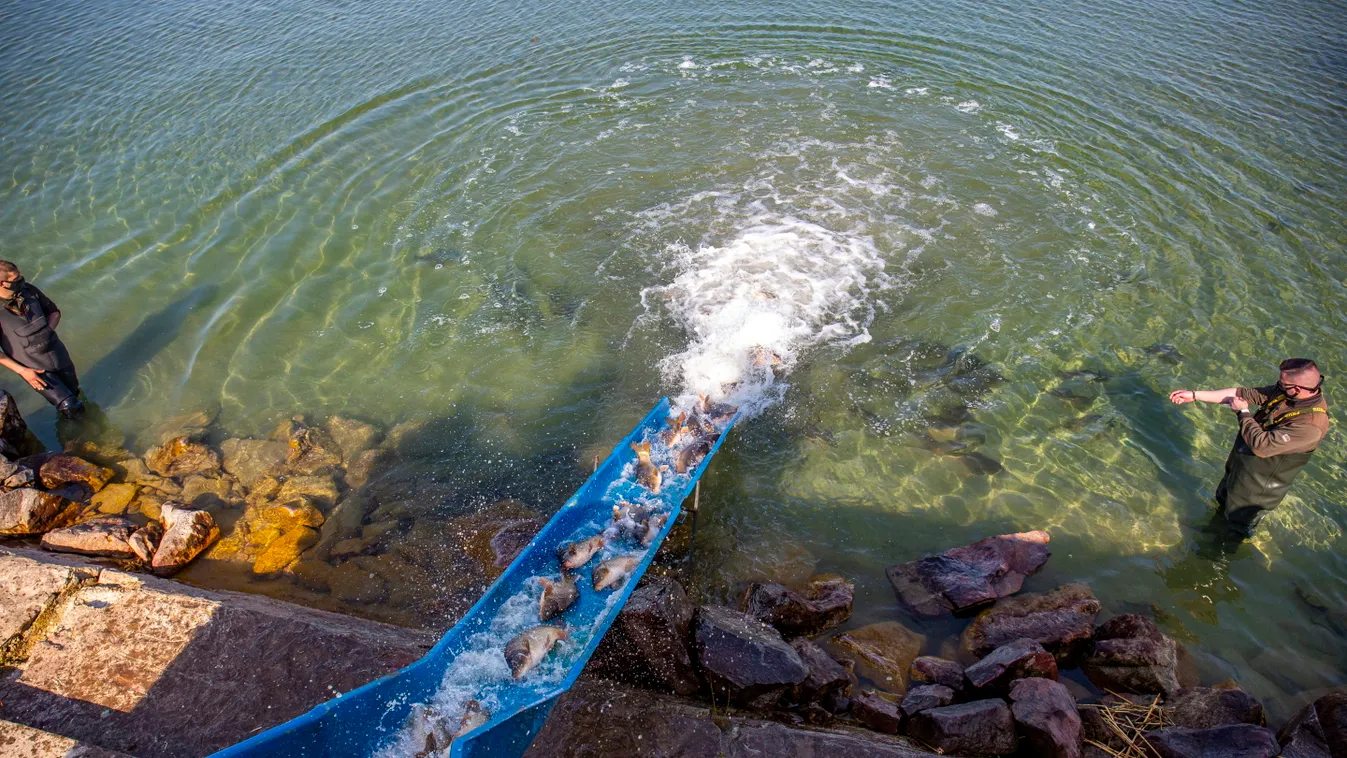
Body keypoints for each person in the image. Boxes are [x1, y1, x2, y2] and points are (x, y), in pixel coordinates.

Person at [1169, 358, 1329, 537]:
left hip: (1257, 488)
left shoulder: (1311, 425)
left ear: (1297, 389)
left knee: (1236, 527)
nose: (1278, 385)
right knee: (1222, 502)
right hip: (1240, 468)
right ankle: (1211, 532)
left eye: (1283, 383)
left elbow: (1262, 446)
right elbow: (1241, 394)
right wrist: (1194, 395)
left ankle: (1218, 558)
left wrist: (1243, 413)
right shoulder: (1286, 392)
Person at [0, 260, 84, 418]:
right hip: (34, 367)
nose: (22, 282)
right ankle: (82, 437)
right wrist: (23, 371)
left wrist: (47, 331)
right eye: (16, 280)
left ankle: (86, 425)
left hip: (57, 353)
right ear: (2, 283)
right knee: (69, 405)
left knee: (75, 392)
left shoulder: (28, 291)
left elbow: (54, 312)